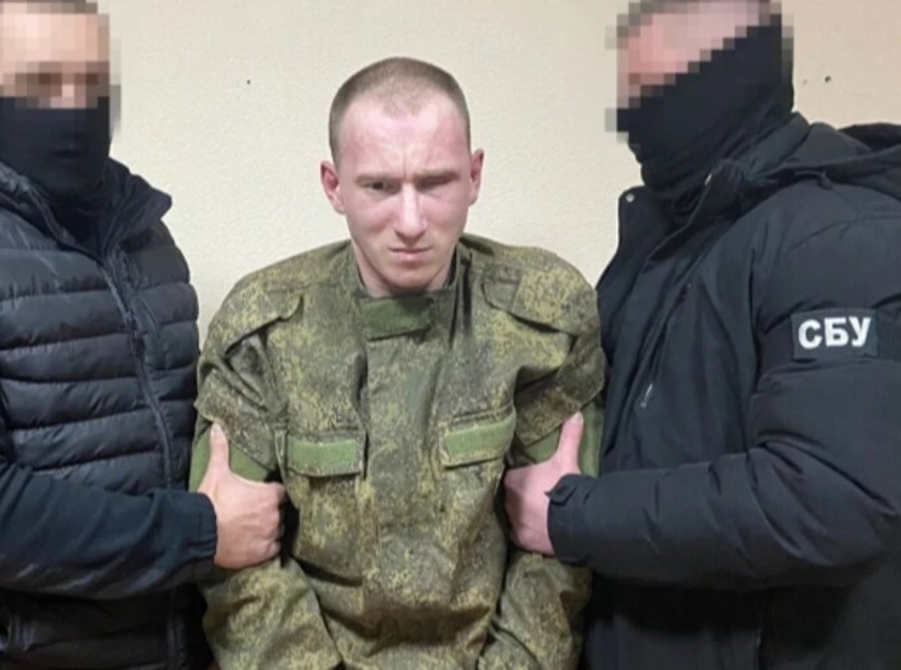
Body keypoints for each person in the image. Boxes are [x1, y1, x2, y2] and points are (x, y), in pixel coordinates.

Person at [503, 2, 901, 669]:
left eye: (661, 91)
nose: (640, 119)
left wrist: (572, 518)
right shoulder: (669, 247)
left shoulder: (847, 238)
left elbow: (833, 498)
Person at [0, 1, 284, 667]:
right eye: (39, 79)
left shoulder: (145, 241)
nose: (72, 103)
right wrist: (199, 534)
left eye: (89, 79)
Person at [190, 57, 605, 669]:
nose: (411, 223)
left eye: (435, 183)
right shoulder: (261, 329)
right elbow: (237, 570)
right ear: (334, 185)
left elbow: (559, 561)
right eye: (379, 187)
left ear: (474, 176)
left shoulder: (542, 318)